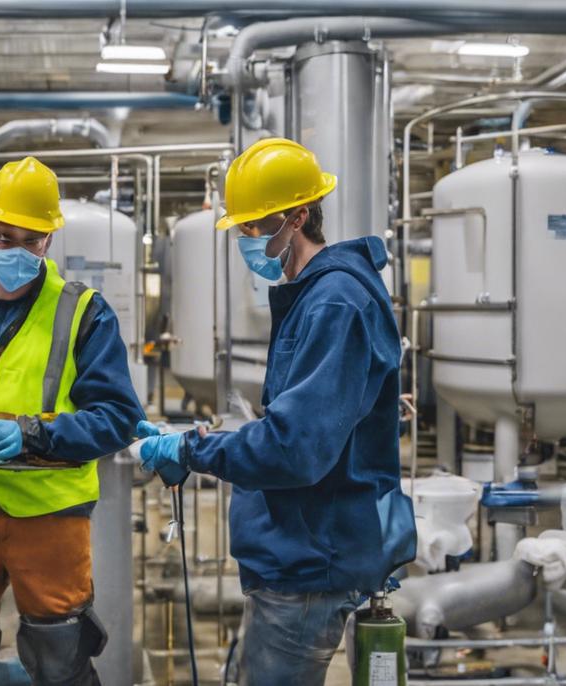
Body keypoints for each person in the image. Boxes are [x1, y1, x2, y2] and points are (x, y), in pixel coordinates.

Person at [134, 138, 417, 684]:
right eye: (242, 229)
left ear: (298, 217)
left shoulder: (336, 302)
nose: (247, 239)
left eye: (256, 227)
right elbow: (295, 421)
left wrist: (190, 451)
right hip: (296, 548)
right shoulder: (314, 295)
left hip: (312, 559)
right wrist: (195, 439)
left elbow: (295, 447)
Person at [0, 156, 143, 685]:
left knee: (59, 658)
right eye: (3, 236)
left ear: (49, 241)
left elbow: (118, 417)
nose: (14, 250)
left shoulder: (84, 311)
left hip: (48, 514)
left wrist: (33, 433)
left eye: (31, 240)